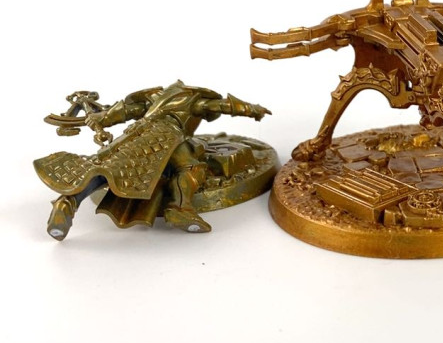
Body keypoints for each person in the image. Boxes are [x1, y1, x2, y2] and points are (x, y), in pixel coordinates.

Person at [35, 81, 269, 239]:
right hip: (168, 136)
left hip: (136, 134)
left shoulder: (152, 98)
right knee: (191, 167)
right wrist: (251, 109)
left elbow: (122, 112)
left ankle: (66, 203)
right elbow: (222, 106)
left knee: (109, 168)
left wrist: (101, 119)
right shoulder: (194, 101)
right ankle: (180, 208)